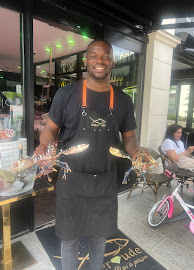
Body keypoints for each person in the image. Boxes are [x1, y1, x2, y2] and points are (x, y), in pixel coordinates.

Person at [34, 39, 142, 270]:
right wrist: (43, 145)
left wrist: (136, 152)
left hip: (105, 180)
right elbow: (51, 128)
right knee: (69, 238)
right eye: (94, 56)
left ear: (112, 61)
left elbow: (130, 136)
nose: (99, 61)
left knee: (99, 237)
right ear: (86, 60)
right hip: (70, 180)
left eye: (105, 56)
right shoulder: (66, 94)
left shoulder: (123, 100)